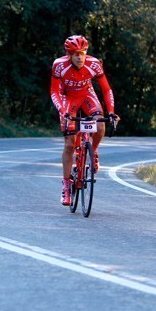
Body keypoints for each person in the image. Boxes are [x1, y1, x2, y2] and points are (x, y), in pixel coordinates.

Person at [50, 35, 117, 206]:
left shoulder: (94, 64)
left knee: (100, 126)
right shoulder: (59, 65)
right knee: (69, 144)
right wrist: (62, 110)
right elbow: (54, 92)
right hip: (68, 98)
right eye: (75, 54)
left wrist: (111, 112)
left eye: (82, 53)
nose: (80, 57)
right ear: (69, 55)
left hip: (87, 94)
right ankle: (66, 185)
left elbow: (106, 89)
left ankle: (92, 151)